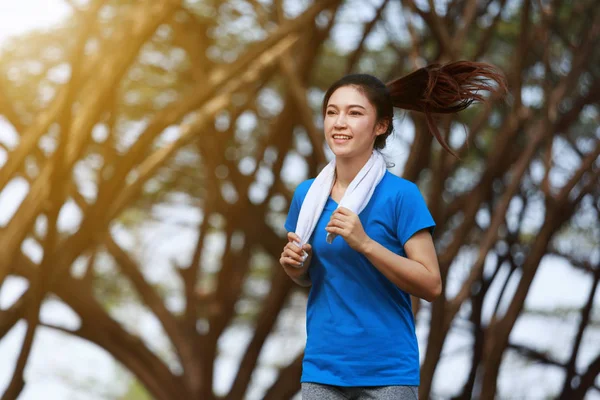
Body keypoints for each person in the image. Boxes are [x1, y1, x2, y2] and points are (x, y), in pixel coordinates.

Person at [280, 61, 506, 400]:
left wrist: (365, 243)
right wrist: (295, 269)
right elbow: (314, 277)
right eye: (331, 112)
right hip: (322, 369)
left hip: (387, 374)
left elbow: (431, 284)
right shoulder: (307, 196)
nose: (340, 123)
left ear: (381, 126)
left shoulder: (401, 196)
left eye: (355, 113)